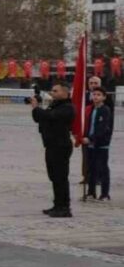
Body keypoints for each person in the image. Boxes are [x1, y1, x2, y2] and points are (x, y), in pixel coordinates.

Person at [31, 84, 76, 218]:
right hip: (51, 145)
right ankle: (57, 204)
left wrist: (36, 108)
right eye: (52, 90)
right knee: (54, 177)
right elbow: (39, 118)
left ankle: (64, 207)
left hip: (60, 146)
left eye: (56, 91)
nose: (52, 93)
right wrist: (36, 108)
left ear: (65, 93)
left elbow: (50, 117)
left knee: (60, 177)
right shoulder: (55, 105)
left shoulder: (67, 107)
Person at [84, 86, 113, 201]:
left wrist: (91, 138)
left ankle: (105, 194)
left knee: (102, 168)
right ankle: (91, 192)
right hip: (90, 144)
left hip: (101, 144)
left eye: (98, 95)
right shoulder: (91, 109)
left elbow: (102, 128)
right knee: (91, 168)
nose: (95, 97)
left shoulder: (105, 110)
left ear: (104, 97)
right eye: (94, 94)